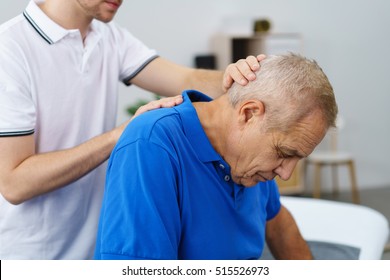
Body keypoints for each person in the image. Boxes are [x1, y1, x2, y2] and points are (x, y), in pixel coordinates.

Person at [0, 0, 263, 259]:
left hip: (97, 251)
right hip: (32, 258)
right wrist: (118, 135)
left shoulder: (109, 37)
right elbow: (15, 183)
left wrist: (237, 76)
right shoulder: (10, 47)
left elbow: (185, 79)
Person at [94, 53, 338, 260]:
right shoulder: (152, 144)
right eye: (285, 154)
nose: (285, 174)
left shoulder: (253, 166)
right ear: (249, 113)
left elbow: (279, 225)